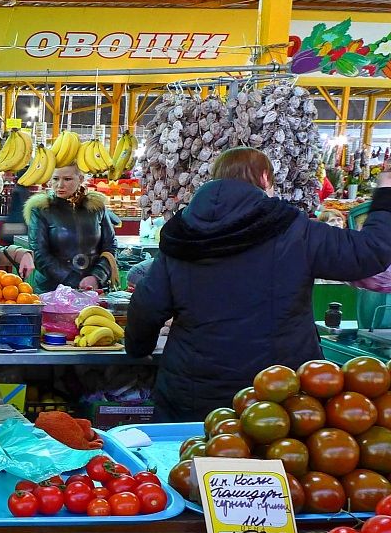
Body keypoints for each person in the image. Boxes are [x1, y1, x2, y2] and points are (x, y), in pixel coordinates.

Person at [125, 147, 391, 422]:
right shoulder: (295, 230)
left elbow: (148, 304)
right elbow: (371, 253)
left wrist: (138, 348)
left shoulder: (183, 232)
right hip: (278, 396)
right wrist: (386, 194)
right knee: (275, 462)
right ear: (265, 179)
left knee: (194, 460)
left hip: (194, 397)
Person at [25, 165, 117, 292]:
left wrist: (97, 276)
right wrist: (75, 281)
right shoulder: (41, 209)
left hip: (93, 289)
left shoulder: (96, 207)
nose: (60, 185)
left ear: (80, 178)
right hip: (52, 290)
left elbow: (110, 246)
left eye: (67, 179)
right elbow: (39, 254)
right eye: (55, 179)